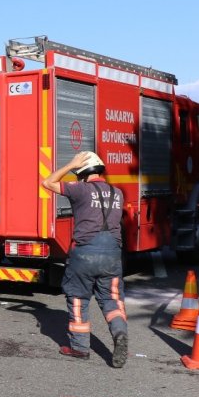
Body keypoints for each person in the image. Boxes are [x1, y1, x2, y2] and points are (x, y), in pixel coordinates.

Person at [41, 151, 128, 367]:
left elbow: (48, 182)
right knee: (112, 299)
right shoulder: (117, 192)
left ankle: (79, 348)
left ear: (82, 172)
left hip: (85, 252)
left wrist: (70, 163)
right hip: (112, 254)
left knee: (78, 298)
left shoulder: (79, 189)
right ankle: (119, 332)